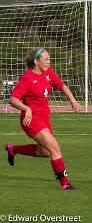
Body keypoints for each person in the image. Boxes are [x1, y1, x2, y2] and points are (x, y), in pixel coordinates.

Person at [5, 47, 82, 190]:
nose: (49, 62)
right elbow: (13, 99)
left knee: (45, 152)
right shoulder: (27, 78)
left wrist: (73, 100)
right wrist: (26, 108)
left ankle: (13, 149)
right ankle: (64, 184)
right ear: (36, 61)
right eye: (45, 59)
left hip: (45, 118)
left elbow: (62, 85)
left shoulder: (49, 73)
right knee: (55, 149)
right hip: (31, 120)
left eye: (49, 59)